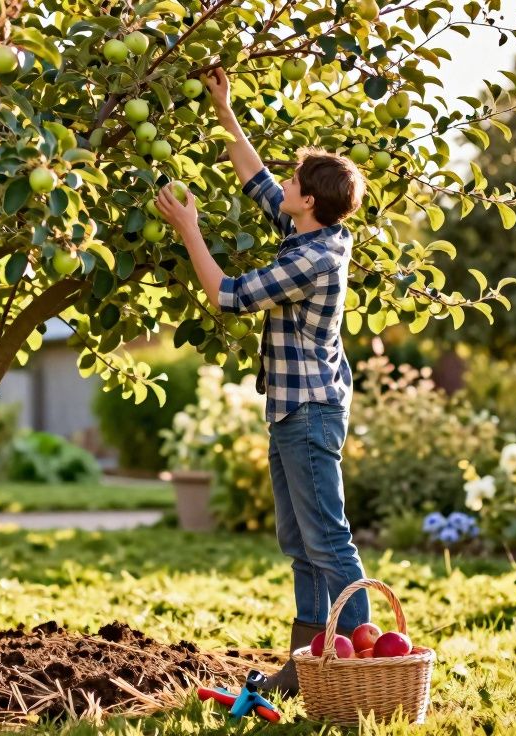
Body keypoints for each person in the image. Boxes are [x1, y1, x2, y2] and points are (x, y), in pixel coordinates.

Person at [153, 66, 369, 696]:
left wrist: (189, 229)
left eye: (296, 180)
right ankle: (305, 671)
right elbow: (258, 180)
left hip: (308, 414)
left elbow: (226, 295)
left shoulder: (312, 257)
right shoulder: (311, 227)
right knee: (301, 545)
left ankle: (364, 666)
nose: (287, 184)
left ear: (310, 201)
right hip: (293, 410)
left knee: (328, 541)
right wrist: (224, 109)